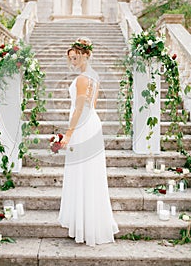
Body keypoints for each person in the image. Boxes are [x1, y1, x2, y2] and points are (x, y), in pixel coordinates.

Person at [58, 37, 119, 247]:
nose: (72, 62)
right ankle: (85, 224)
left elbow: (80, 108)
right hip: (92, 123)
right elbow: (92, 105)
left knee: (84, 172)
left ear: (85, 55)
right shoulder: (95, 77)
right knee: (88, 174)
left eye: (75, 57)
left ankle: (84, 226)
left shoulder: (84, 79)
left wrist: (68, 133)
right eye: (70, 59)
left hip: (84, 126)